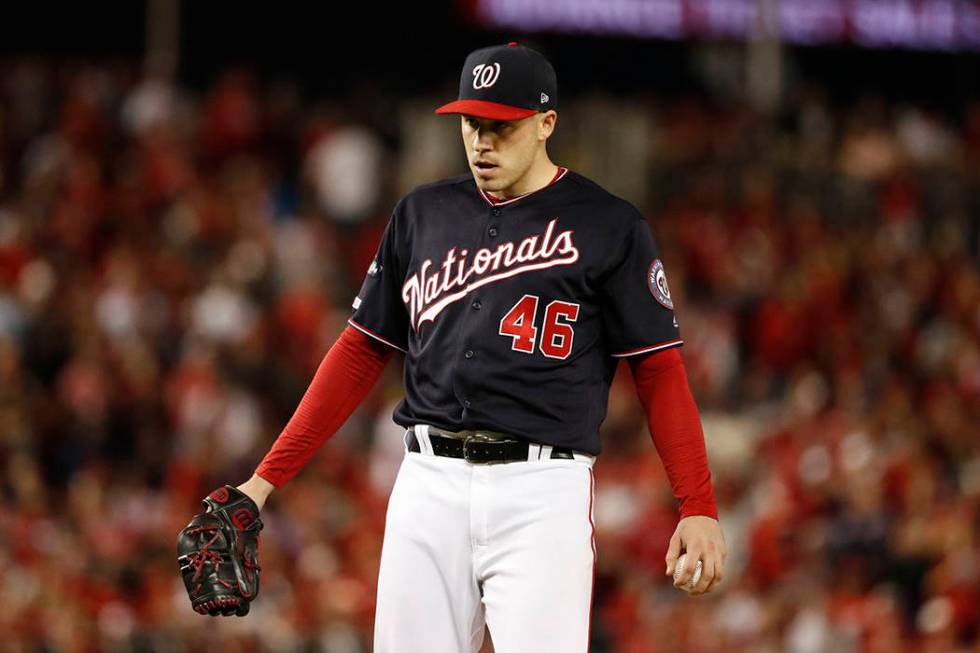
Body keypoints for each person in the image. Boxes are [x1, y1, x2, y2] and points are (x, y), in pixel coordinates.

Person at [234, 42, 726, 652]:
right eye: (472, 123)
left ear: (546, 124)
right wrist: (262, 481)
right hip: (427, 480)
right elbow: (360, 351)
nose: (482, 143)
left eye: (502, 127)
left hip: (541, 489)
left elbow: (658, 372)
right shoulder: (422, 213)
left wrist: (697, 504)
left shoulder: (609, 225)